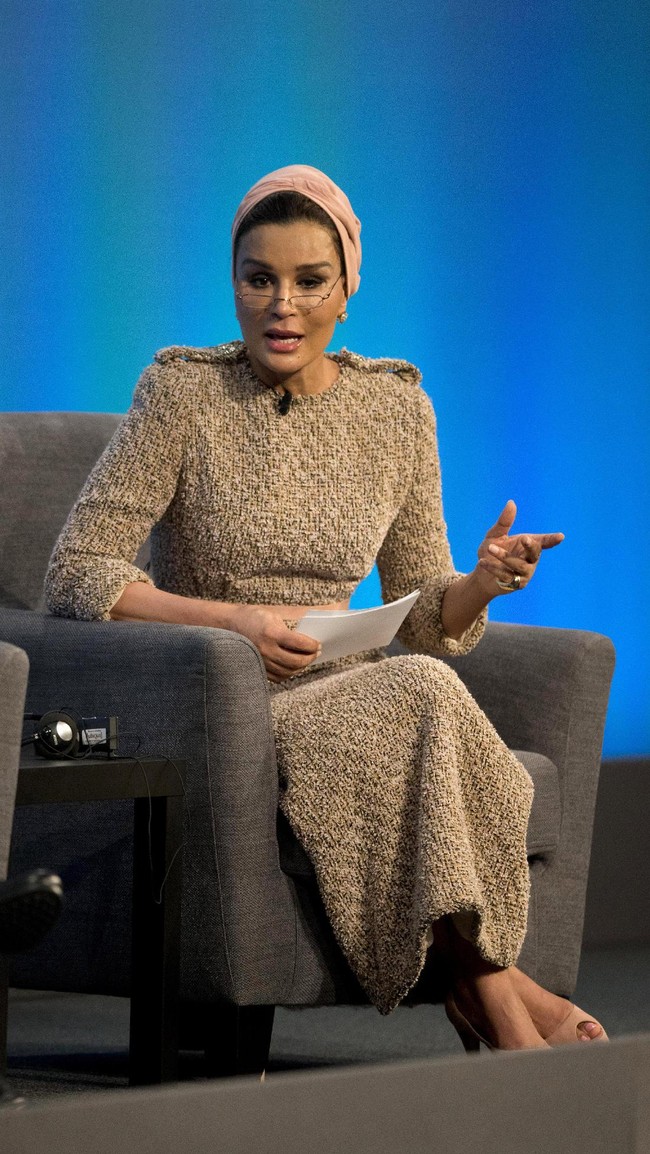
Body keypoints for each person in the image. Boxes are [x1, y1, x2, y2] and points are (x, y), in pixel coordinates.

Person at [45, 164, 606, 1051]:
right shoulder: (182, 393)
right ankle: (498, 1003)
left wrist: (484, 582)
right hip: (223, 699)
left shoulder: (396, 409)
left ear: (347, 289)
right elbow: (77, 572)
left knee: (417, 681)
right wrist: (237, 626)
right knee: (418, 693)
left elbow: (425, 617)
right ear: (233, 284)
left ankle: (480, 991)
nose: (283, 305)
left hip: (353, 686)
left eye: (310, 282)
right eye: (258, 278)